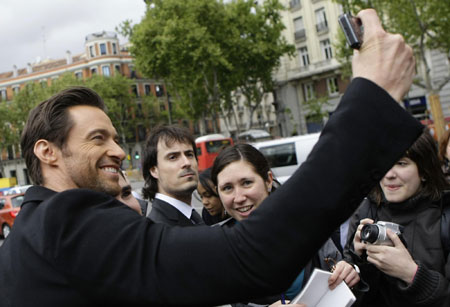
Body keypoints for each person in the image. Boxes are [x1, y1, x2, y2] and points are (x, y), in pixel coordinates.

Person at [0, 9, 422, 306]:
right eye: (97, 138)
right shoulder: (65, 223)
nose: (116, 150)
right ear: (47, 152)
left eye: (115, 138)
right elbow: (248, 256)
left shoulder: (26, 240)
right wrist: (372, 99)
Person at [211, 144, 360, 304]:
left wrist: (349, 271)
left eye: (246, 183)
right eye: (227, 188)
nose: (239, 197)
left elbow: (338, 269)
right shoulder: (214, 245)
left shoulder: (307, 222)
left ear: (268, 180)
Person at [343, 129, 450, 306]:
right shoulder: (366, 211)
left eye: (401, 163)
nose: (389, 174)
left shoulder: (444, 216)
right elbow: (358, 299)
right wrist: (356, 266)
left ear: (424, 171)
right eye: (384, 163)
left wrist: (411, 273)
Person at [142, 125, 203, 226]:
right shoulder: (160, 228)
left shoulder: (192, 216)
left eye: (189, 154)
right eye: (173, 157)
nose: (186, 162)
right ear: (154, 170)